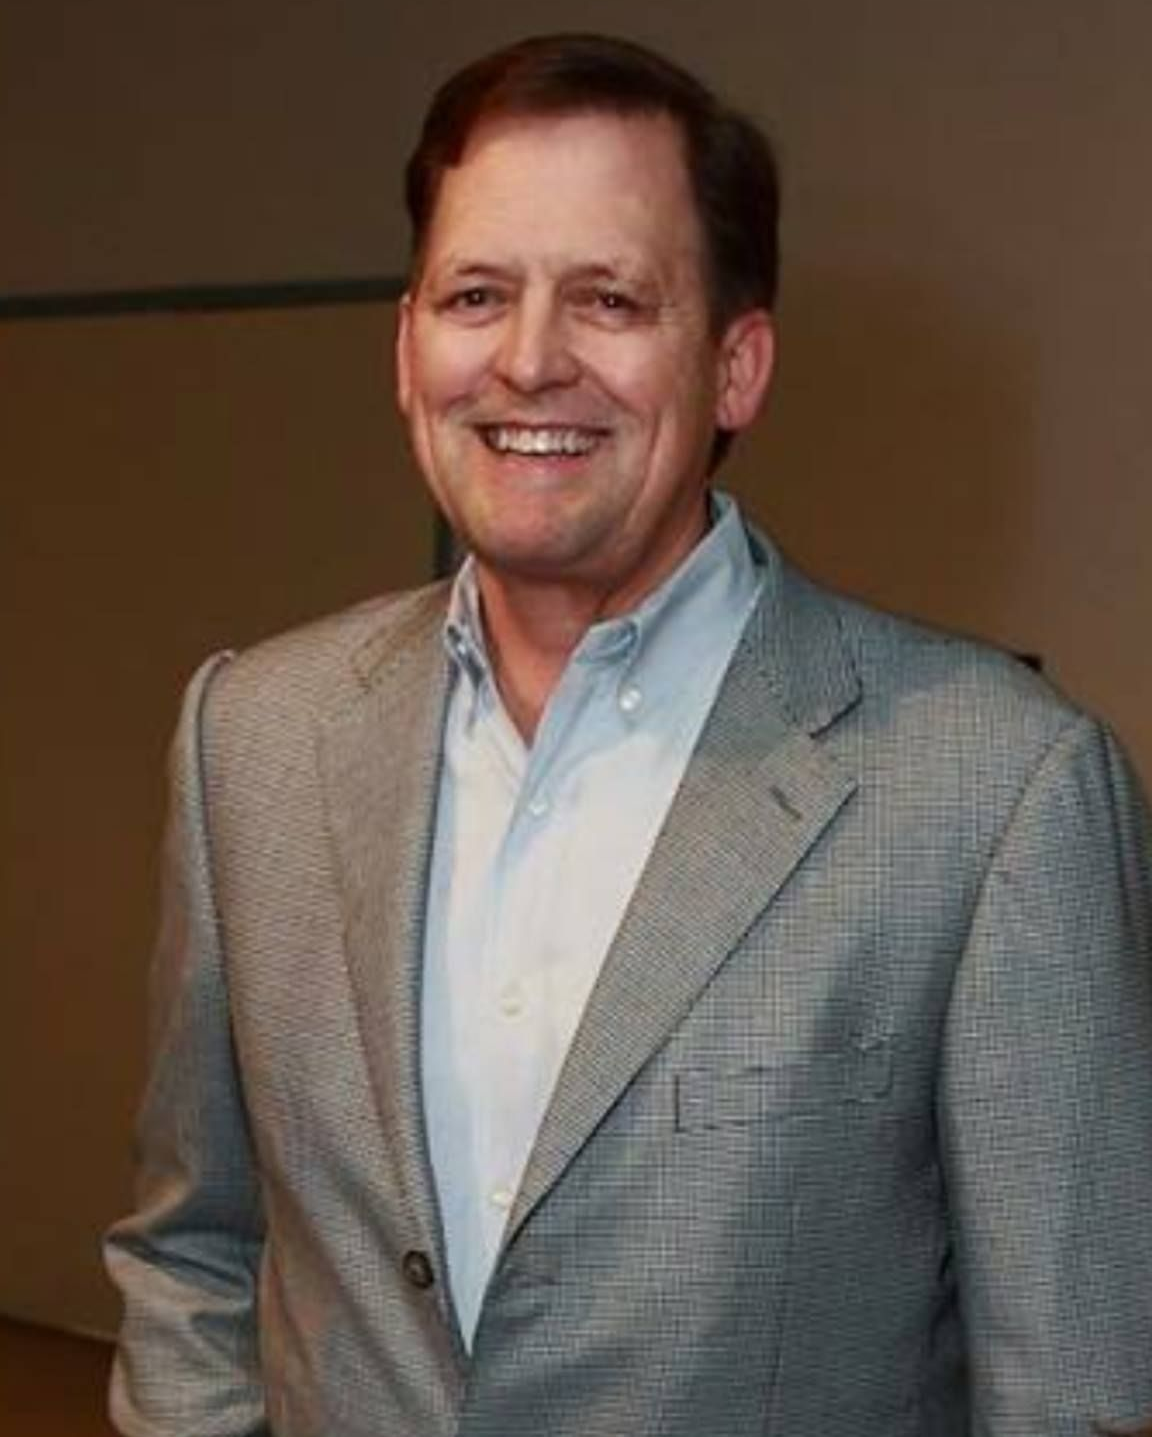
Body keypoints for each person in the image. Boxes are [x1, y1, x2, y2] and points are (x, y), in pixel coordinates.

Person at [105, 32, 1152, 1437]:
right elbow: (192, 1245)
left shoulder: (1001, 791)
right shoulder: (252, 736)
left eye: (610, 299)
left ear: (735, 367)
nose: (531, 360)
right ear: (408, 349)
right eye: (477, 293)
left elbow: (1065, 1394)